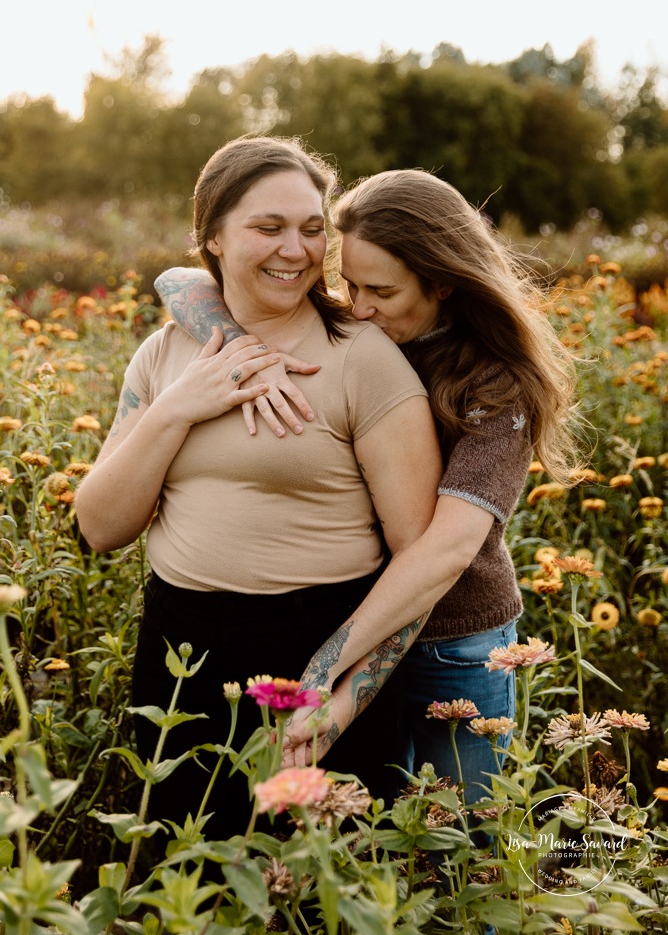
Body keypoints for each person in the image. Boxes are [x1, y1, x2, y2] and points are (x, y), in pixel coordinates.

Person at [157, 167, 579, 805]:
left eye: (378, 289)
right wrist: (249, 356)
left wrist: (326, 681)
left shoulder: (497, 387)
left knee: (461, 838)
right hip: (357, 623)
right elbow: (181, 280)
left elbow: (443, 552)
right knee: (372, 829)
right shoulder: (369, 331)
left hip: (451, 643)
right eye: (347, 282)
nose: (357, 307)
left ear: (441, 281)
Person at [75, 138, 440, 839]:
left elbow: (419, 566)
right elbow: (98, 528)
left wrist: (339, 699)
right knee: (186, 877)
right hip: (179, 662)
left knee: (310, 886)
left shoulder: (361, 359)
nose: (296, 249)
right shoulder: (165, 353)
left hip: (316, 651)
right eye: (267, 227)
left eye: (311, 228)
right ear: (210, 234)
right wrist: (180, 404)